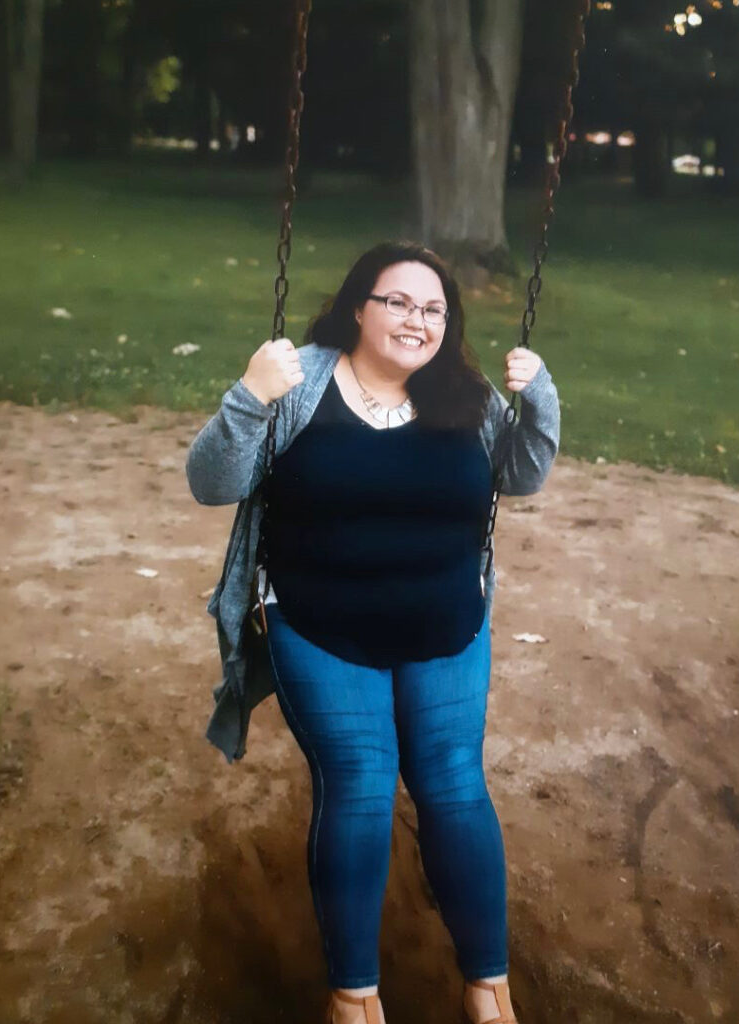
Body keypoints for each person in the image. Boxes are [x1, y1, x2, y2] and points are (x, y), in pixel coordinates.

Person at [185, 241, 560, 1024]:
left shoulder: (465, 394)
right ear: (358, 307)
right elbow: (212, 484)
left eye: (433, 309)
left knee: (453, 784)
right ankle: (353, 995)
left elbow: (520, 476)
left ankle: (487, 986)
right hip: (321, 623)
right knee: (360, 781)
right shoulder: (299, 381)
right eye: (397, 302)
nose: (415, 320)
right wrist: (249, 396)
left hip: (445, 625)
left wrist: (540, 398)